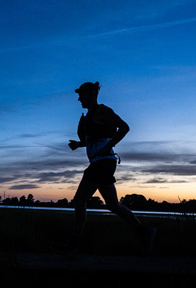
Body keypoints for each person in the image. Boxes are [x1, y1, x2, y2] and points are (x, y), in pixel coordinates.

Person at [61, 81, 157, 254]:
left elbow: (125, 128)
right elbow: (97, 139)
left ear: (91, 94)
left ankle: (74, 243)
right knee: (113, 205)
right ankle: (146, 232)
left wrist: (110, 145)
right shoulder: (89, 116)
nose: (78, 99)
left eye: (81, 95)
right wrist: (79, 144)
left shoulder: (103, 110)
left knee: (80, 200)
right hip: (101, 162)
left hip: (103, 162)